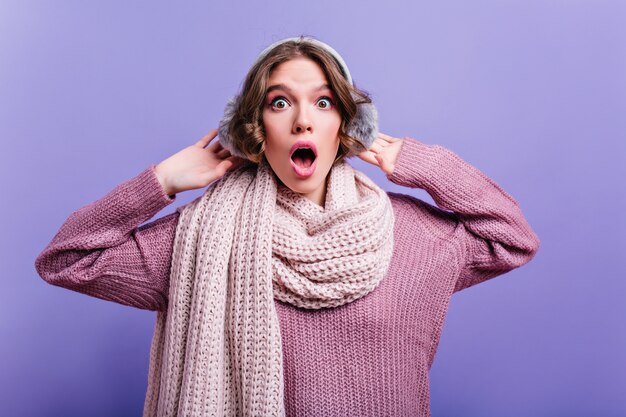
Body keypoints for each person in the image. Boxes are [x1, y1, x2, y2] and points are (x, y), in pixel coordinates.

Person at [34, 35, 541, 417]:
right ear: (254, 130)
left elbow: (512, 237)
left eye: (323, 102)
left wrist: (419, 162)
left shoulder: (414, 235)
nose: (302, 120)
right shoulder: (202, 241)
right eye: (280, 102)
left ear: (346, 124)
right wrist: (162, 180)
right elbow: (68, 259)